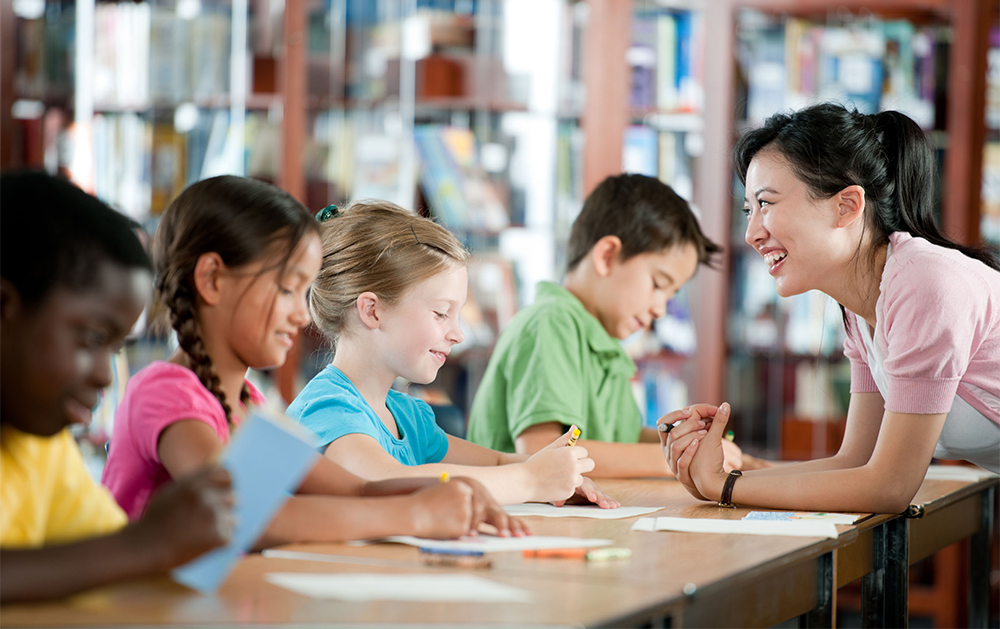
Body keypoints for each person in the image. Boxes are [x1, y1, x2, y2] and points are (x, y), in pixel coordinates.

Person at [102, 176, 523, 543]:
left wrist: (459, 490)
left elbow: (356, 490)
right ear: (213, 280)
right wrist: (414, 513)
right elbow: (238, 517)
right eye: (286, 289)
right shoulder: (165, 392)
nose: (303, 315)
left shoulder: (247, 404)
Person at [662, 103, 1000, 513]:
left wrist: (725, 488)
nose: (752, 233)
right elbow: (855, 463)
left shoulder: (925, 283)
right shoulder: (864, 303)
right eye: (749, 209)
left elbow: (889, 488)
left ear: (847, 206)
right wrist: (720, 480)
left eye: (766, 203)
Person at [288, 200, 618, 507]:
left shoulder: (409, 417)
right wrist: (530, 480)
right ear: (372, 311)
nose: (458, 334)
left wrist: (555, 475)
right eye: (441, 313)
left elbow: (498, 462)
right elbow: (383, 480)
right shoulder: (327, 408)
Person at [0, 171, 234, 603]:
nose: (107, 376)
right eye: (91, 338)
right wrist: (144, 544)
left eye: (116, 346)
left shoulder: (41, 448)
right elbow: (124, 552)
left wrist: (158, 542)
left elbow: (99, 561)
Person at [466, 173, 762, 477]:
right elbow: (542, 452)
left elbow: (620, 441)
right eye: (659, 284)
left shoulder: (605, 347)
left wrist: (692, 445)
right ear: (606, 256)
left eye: (671, 295)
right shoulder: (550, 323)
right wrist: (673, 460)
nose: (660, 309)